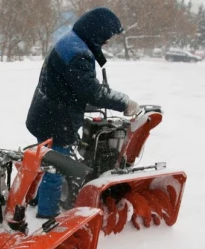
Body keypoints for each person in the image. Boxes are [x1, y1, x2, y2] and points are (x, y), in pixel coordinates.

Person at [25, 7, 139, 219]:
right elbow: (91, 91)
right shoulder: (77, 53)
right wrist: (124, 103)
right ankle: (46, 217)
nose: (107, 42)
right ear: (96, 32)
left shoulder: (72, 41)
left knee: (48, 162)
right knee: (56, 169)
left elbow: (69, 85)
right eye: (107, 36)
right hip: (56, 120)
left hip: (46, 112)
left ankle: (38, 201)